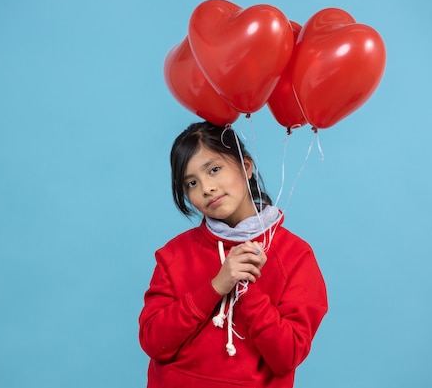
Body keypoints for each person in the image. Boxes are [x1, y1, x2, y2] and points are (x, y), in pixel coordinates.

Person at [139, 121, 328, 388]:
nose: (206, 188)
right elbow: (153, 341)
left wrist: (247, 291)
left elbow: (287, 356)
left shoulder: (296, 255)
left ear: (246, 167)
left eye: (214, 170)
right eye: (191, 183)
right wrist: (216, 286)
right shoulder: (173, 255)